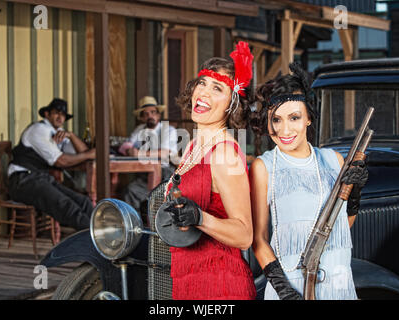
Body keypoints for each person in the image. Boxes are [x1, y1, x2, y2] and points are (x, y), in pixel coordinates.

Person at [248, 62, 369, 300]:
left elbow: (341, 227)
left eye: (294, 117)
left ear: (308, 119)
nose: (284, 129)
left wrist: (354, 197)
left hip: (338, 281)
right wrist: (284, 290)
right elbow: (258, 240)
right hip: (290, 284)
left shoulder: (333, 159)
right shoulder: (263, 166)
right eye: (276, 119)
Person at [160, 41, 257, 300]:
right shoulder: (193, 145)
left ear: (231, 104)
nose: (203, 92)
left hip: (220, 285)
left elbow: (245, 235)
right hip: (188, 281)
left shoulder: (225, 153)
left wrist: (201, 218)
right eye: (202, 83)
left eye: (217, 88)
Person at [7, 98, 96, 231]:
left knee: (84, 202)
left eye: (63, 115)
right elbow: (61, 161)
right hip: (22, 180)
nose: (60, 117)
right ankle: (96, 240)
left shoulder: (57, 132)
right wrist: (89, 155)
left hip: (40, 178)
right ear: (47, 114)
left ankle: (99, 235)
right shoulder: (39, 130)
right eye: (57, 113)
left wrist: (71, 135)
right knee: (67, 206)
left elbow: (83, 152)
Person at [119, 96, 178, 212]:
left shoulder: (168, 130)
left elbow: (165, 153)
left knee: (150, 194)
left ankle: (153, 223)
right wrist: (128, 150)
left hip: (165, 173)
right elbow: (126, 145)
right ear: (141, 118)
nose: (150, 116)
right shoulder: (140, 129)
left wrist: (140, 153)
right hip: (145, 172)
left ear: (158, 115)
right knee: (130, 191)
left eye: (153, 112)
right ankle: (132, 223)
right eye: (145, 114)